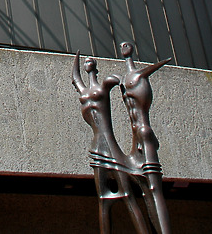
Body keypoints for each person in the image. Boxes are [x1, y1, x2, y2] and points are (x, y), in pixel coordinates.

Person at [72, 51, 151, 234]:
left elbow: (117, 80)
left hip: (111, 147)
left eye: (91, 60)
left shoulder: (104, 86)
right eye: (86, 62)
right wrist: (76, 59)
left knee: (128, 196)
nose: (88, 62)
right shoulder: (83, 90)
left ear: (95, 68)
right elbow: (75, 78)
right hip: (97, 147)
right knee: (103, 200)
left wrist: (125, 84)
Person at [119, 42, 172, 234]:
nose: (123, 47)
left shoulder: (139, 75)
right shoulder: (124, 79)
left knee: (154, 188)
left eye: (126, 46)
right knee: (144, 188)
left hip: (144, 131)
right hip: (135, 137)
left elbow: (159, 65)